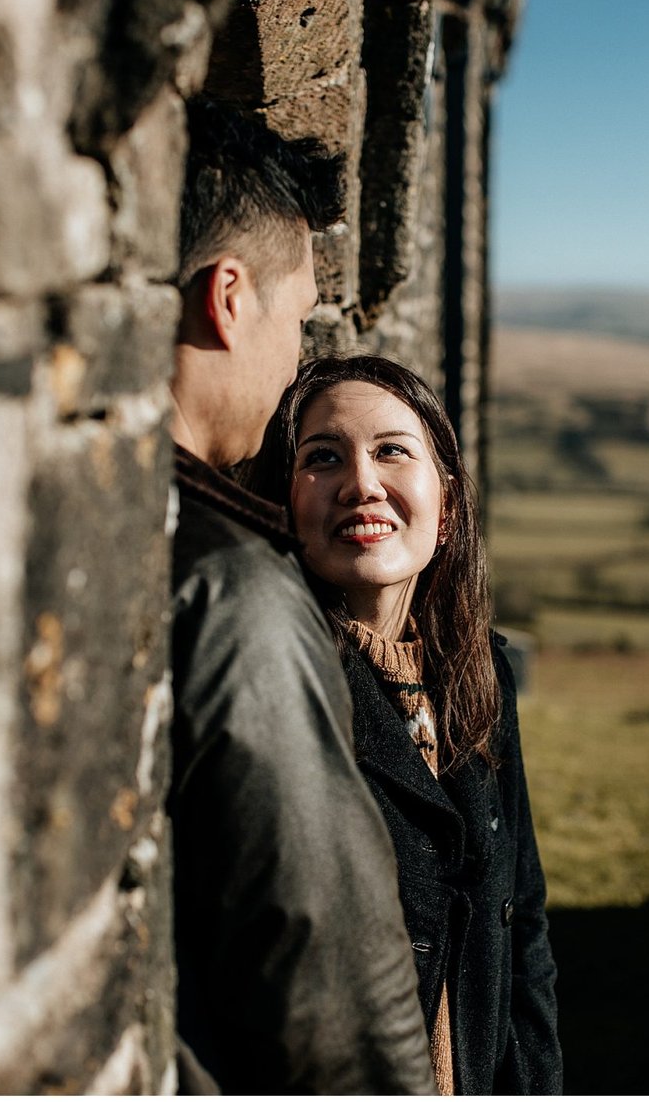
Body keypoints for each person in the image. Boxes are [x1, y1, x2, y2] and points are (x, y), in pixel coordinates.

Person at [166, 98, 436, 1093]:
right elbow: (331, 980)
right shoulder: (239, 591)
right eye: (299, 318)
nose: (296, 363)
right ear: (227, 299)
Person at [252, 355, 563, 1095]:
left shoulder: (481, 679)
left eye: (393, 450)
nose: (362, 483)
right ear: (286, 501)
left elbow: (523, 926)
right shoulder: (277, 686)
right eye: (322, 457)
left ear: (446, 505)